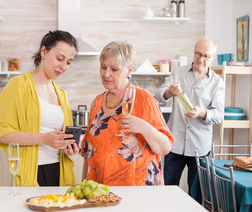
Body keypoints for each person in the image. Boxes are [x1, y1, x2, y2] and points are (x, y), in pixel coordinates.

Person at [80, 41, 174, 186]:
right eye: (103, 67)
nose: (106, 74)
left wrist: (144, 127)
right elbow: (88, 152)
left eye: (114, 69)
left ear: (129, 70)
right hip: (101, 190)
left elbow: (165, 147)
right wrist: (83, 186)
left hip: (137, 191)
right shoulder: (97, 102)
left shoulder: (144, 99)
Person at [0, 30, 79, 187]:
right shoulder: (18, 85)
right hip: (32, 172)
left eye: (68, 62)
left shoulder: (62, 94)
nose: (63, 66)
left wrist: (68, 147)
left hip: (60, 172)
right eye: (60, 59)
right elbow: (2, 134)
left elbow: (63, 137)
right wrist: (44, 139)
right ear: (44, 52)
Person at [155, 37, 225, 192]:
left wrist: (202, 113)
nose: (200, 59)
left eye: (206, 56)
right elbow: (159, 95)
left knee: (197, 194)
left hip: (199, 147)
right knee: (167, 189)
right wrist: (169, 92)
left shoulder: (217, 82)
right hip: (175, 144)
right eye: (197, 54)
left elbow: (219, 115)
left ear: (213, 57)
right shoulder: (178, 73)